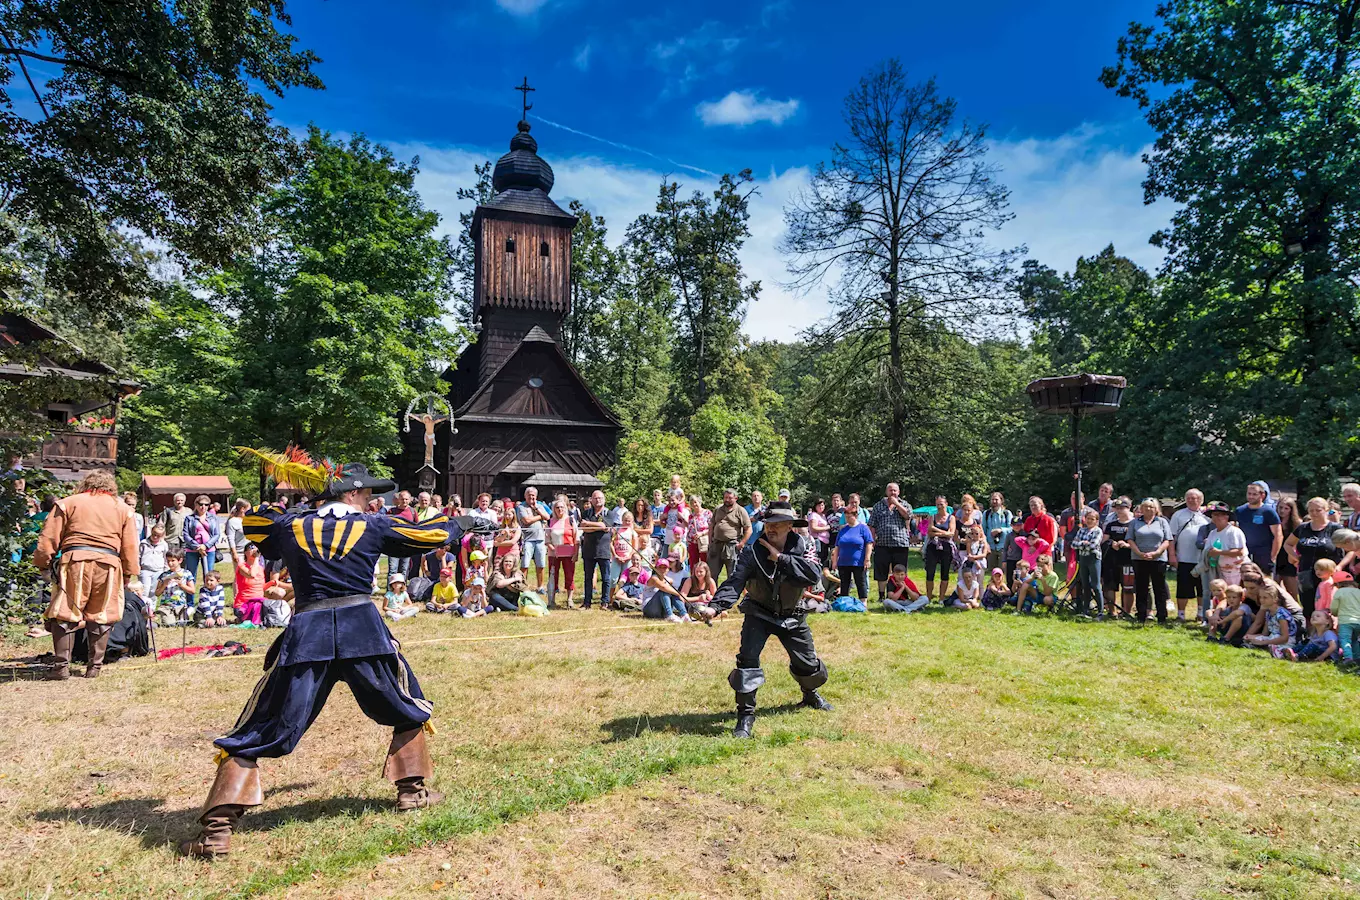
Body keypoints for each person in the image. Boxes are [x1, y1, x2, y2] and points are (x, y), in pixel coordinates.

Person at [179, 461, 455, 859]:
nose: (371, 501)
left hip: (308, 633)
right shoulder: (374, 525)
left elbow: (256, 523)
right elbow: (432, 533)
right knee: (405, 705)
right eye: (366, 495)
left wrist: (297, 504)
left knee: (265, 723)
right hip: (363, 632)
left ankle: (216, 833)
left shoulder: (290, 525)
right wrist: (463, 522)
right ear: (351, 494)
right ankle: (411, 793)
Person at [700, 504, 830, 738]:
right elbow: (735, 582)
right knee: (747, 662)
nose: (771, 529)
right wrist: (714, 607)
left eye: (777, 524)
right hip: (758, 613)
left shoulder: (806, 544)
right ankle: (745, 717)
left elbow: (813, 574)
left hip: (793, 614)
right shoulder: (751, 551)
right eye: (768, 524)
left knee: (809, 666)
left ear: (790, 526)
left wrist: (780, 558)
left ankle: (809, 694)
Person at [32, 470, 140, 680]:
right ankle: (94, 668)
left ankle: (61, 667)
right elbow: (130, 545)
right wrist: (128, 573)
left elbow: (48, 539)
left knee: (65, 613)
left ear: (86, 483)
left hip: (74, 562)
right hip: (108, 565)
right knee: (102, 614)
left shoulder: (67, 503)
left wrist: (43, 565)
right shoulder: (123, 509)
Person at [1283, 496, 1342, 617]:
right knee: (1308, 607)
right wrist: (1295, 557)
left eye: (1318, 510)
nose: (1314, 513)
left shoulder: (1335, 528)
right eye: (1311, 510)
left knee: (1328, 606)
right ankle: (1310, 634)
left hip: (1328, 575)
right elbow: (1287, 544)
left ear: (1326, 510)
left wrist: (1340, 566)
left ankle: (1329, 634)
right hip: (1306, 573)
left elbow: (1350, 549)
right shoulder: (1303, 527)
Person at [1129, 498, 1173, 624]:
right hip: (1139, 559)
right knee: (1141, 587)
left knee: (1159, 587)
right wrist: (1139, 553)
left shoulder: (1162, 522)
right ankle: (1141, 615)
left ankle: (1162, 616)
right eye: (1146, 507)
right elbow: (1130, 539)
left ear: (1156, 509)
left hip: (1158, 559)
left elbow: (1167, 540)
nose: (1148, 509)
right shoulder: (1135, 523)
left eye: (1151, 507)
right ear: (1141, 509)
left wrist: (1157, 552)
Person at [1167, 489, 1209, 621]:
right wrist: (1172, 555)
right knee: (1183, 588)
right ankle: (1181, 614)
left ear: (1201, 500)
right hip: (1183, 557)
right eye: (1189, 498)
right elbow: (1171, 537)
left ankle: (1201, 613)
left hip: (1203, 559)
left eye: (1195, 498)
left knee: (1202, 588)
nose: (1192, 500)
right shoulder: (1178, 515)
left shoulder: (1207, 516)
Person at [867, 483, 913, 602]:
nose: (893, 493)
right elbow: (872, 525)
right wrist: (872, 541)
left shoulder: (905, 504)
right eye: (890, 490)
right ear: (886, 492)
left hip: (900, 544)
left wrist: (897, 504)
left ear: (899, 492)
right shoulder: (878, 506)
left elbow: (908, 516)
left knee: (900, 571)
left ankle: (901, 594)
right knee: (881, 571)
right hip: (882, 543)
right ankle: (882, 596)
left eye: (895, 491)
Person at [1236, 482, 1282, 575]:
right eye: (1249, 494)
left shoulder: (1268, 512)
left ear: (1262, 495)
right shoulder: (1240, 511)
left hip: (1264, 554)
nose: (1251, 497)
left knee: (1264, 583)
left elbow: (1278, 535)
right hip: (1245, 553)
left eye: (1254, 494)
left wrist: (1273, 556)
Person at [708, 488, 753, 583]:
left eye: (730, 498)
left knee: (732, 574)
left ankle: (729, 595)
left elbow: (749, 529)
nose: (727, 500)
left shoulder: (741, 511)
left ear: (736, 498)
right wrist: (710, 542)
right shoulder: (718, 509)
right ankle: (712, 595)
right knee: (712, 573)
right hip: (716, 544)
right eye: (725, 497)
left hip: (732, 545)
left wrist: (742, 543)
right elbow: (711, 525)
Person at [577, 491, 612, 609]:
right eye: (595, 498)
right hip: (589, 550)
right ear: (591, 500)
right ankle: (587, 603)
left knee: (606, 578)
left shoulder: (609, 513)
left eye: (600, 498)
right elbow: (583, 528)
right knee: (588, 578)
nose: (598, 500)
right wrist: (597, 526)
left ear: (604, 500)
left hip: (604, 550)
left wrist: (589, 524)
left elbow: (606, 526)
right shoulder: (586, 512)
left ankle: (604, 602)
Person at [832, 505, 874, 602]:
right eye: (845, 516)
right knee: (844, 583)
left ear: (855, 515)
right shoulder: (843, 530)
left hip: (858, 562)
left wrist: (867, 559)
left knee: (861, 582)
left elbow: (869, 544)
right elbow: (837, 546)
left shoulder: (863, 528)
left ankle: (863, 603)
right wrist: (835, 561)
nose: (847, 518)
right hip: (843, 562)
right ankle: (844, 602)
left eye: (849, 516)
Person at [1101, 498, 1135, 617]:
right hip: (1111, 560)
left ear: (1128, 508)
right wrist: (1111, 543)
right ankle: (1112, 611)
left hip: (1128, 560)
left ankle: (1126, 611)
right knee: (1109, 586)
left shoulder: (1134, 524)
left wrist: (1126, 545)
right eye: (1117, 509)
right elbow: (1104, 541)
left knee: (1128, 587)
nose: (1119, 511)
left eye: (1122, 508)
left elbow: (1139, 542)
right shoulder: (1111, 524)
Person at [1069, 508, 1104, 618]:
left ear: (1096, 521)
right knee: (1085, 585)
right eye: (1088, 518)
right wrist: (1084, 543)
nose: (1089, 521)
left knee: (1096, 585)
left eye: (1092, 519)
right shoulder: (1082, 530)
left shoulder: (1098, 531)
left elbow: (1094, 545)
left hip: (1094, 559)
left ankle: (1100, 611)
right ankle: (1085, 610)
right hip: (1083, 559)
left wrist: (1081, 544)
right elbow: (1073, 545)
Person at [516, 487, 551, 591]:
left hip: (540, 539)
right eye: (529, 495)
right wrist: (540, 516)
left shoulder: (539, 506)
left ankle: (540, 587)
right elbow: (526, 520)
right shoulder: (521, 507)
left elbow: (548, 517)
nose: (531, 497)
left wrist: (537, 510)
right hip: (528, 539)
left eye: (533, 495)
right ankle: (523, 586)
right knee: (525, 564)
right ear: (525, 496)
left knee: (541, 564)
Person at [1244, 584, 1295, 656]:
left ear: (1275, 599)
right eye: (1260, 597)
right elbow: (1265, 633)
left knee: (1272, 641)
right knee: (1250, 637)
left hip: (1284, 641)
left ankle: (1283, 652)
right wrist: (1251, 637)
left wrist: (1263, 642)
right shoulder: (1268, 612)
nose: (1262, 600)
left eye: (1265, 598)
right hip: (1272, 637)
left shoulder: (1281, 615)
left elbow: (1285, 638)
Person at [923, 495, 956, 605]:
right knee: (930, 573)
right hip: (933, 546)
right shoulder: (932, 517)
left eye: (941, 504)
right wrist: (944, 533)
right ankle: (928, 597)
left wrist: (936, 530)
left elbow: (951, 534)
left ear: (946, 504)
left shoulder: (951, 518)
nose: (939, 506)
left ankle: (941, 598)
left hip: (946, 548)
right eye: (937, 504)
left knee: (945, 573)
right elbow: (929, 532)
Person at [546, 498, 578, 608]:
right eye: (557, 507)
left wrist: (576, 553)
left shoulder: (571, 520)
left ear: (566, 508)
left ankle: (569, 599)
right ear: (554, 509)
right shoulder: (550, 521)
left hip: (569, 553)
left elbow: (576, 538)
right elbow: (547, 539)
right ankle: (552, 600)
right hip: (554, 554)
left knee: (569, 576)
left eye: (562, 507)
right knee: (553, 577)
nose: (560, 509)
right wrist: (553, 549)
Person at [181, 495, 220, 585]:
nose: (203, 507)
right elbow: (186, 535)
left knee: (209, 576)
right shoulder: (189, 518)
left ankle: (208, 597)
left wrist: (205, 546)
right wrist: (197, 546)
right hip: (192, 549)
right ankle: (190, 599)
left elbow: (216, 534)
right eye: (201, 504)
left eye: (206, 505)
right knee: (190, 576)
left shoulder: (213, 518)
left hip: (209, 550)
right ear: (196, 505)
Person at [228, 540, 266, 627]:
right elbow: (251, 575)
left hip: (259, 602)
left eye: (256, 548)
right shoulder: (242, 566)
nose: (254, 550)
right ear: (245, 552)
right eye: (251, 548)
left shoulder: (260, 568)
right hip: (243, 605)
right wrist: (256, 558)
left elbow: (261, 587)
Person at [1272, 497, 1303, 601]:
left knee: (1293, 591)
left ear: (1291, 510)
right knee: (1274, 589)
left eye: (1286, 508)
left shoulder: (1297, 523)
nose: (1282, 511)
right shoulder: (1274, 521)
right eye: (1280, 508)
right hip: (1276, 555)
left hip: (1289, 557)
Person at [155, 550, 195, 625]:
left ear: (180, 560)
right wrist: (164, 585)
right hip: (167, 606)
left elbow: (192, 591)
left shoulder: (186, 573)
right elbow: (157, 593)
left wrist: (182, 585)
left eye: (173, 560)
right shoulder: (164, 575)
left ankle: (183, 617)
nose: (170, 563)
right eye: (168, 561)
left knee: (183, 624)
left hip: (181, 605)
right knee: (168, 624)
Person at [982, 492, 1014, 574]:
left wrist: (1001, 530)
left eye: (996, 499)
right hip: (990, 546)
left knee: (1002, 572)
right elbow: (983, 530)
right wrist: (985, 544)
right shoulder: (986, 513)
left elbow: (1012, 528)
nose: (994, 501)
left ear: (1001, 501)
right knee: (991, 572)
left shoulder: (1007, 513)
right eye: (992, 499)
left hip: (1003, 546)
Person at [1332, 569, 1360, 663]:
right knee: (1354, 640)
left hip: (1345, 621)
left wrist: (1334, 613)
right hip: (1358, 621)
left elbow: (1334, 607)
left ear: (1338, 584)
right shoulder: (1358, 592)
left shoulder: (1340, 592)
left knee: (1345, 639)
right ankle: (1357, 657)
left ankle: (1348, 657)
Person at [138, 524, 170, 596]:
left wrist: (166, 570)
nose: (155, 537)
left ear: (162, 536)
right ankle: (144, 606)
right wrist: (138, 567)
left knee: (153, 592)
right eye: (154, 534)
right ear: (151, 532)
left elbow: (165, 558)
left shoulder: (164, 545)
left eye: (158, 536)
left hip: (158, 571)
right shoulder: (143, 543)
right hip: (145, 570)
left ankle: (152, 607)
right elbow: (138, 556)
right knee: (144, 591)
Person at [687, 493, 711, 569]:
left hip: (703, 541)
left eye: (695, 502)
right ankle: (694, 580)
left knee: (704, 563)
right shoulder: (691, 516)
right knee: (693, 563)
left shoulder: (707, 513)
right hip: (692, 542)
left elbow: (712, 528)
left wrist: (702, 533)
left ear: (699, 502)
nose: (694, 504)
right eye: (692, 503)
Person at [806, 498, 831, 569]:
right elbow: (813, 528)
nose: (821, 507)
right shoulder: (813, 515)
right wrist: (827, 528)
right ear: (815, 506)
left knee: (824, 560)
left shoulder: (823, 516)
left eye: (822, 505)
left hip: (825, 542)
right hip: (817, 540)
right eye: (819, 505)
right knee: (818, 559)